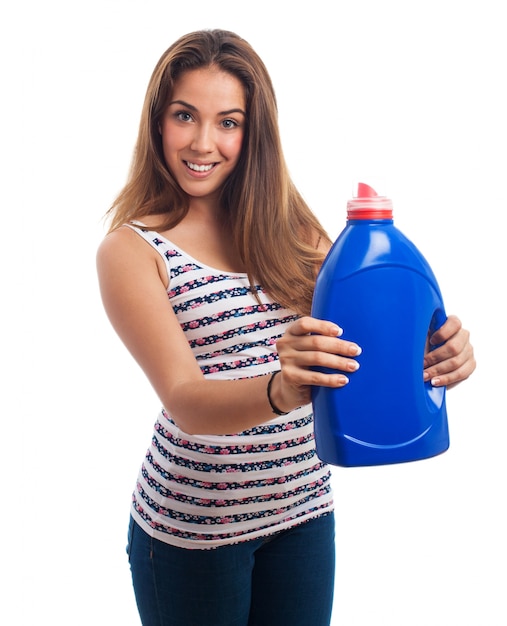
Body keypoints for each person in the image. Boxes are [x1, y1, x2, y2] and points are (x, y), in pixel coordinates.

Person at [96, 29, 476, 626]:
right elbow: (187, 400)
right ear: (156, 122)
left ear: (254, 133)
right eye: (184, 116)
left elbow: (364, 347)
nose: (202, 142)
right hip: (195, 532)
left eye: (228, 122)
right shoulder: (133, 250)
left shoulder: (295, 231)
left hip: (303, 511)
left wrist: (436, 351)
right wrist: (283, 388)